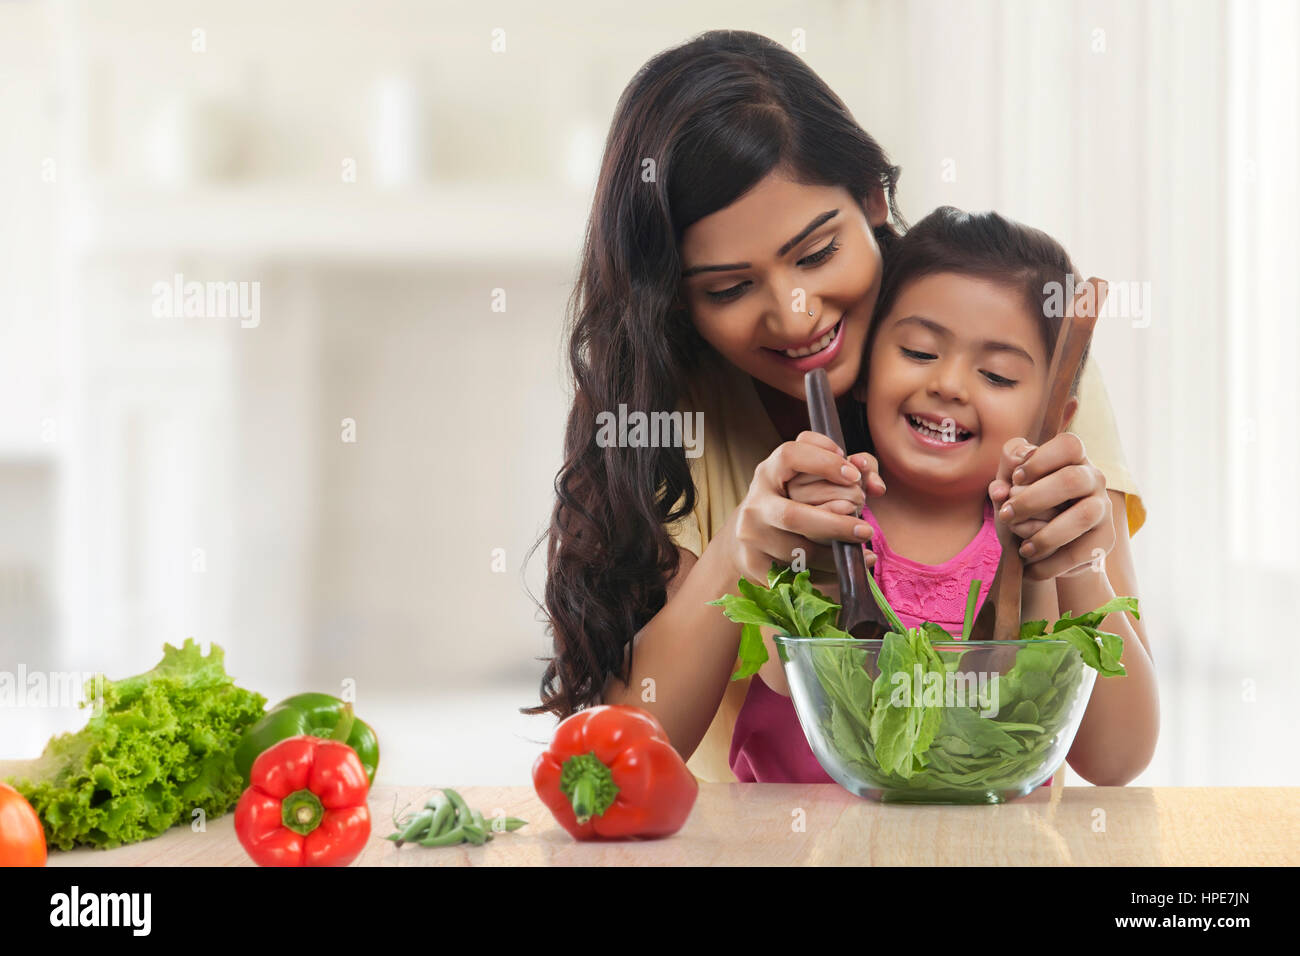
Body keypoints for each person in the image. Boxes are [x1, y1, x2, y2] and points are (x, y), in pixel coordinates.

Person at [524, 30, 1152, 787]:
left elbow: (1116, 754)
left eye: (817, 254)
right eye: (728, 289)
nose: (794, 319)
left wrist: (1077, 563)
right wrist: (738, 553)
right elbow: (607, 772)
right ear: (675, 303)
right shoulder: (674, 411)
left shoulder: (1025, 363)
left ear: (873, 198)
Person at [732, 206, 1157, 784]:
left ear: (1056, 421)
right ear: (861, 372)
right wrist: (817, 573)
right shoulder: (824, 515)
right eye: (919, 353)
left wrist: (1079, 569)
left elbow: (1117, 761)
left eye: (998, 376)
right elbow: (789, 682)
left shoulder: (1042, 556)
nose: (949, 385)